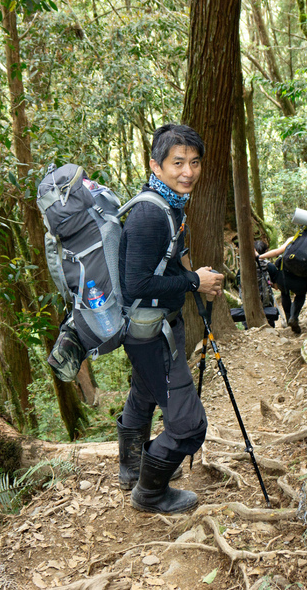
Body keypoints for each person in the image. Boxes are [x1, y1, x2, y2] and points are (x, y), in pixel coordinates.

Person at [116, 123, 224, 515]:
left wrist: (195, 280)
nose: (188, 171)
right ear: (156, 166)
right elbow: (137, 283)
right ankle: (149, 493)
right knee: (189, 425)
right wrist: (195, 280)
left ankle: (132, 470)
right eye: (178, 162)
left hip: (156, 325)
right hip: (148, 332)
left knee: (144, 394)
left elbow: (164, 265)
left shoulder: (169, 204)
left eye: (194, 162)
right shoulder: (149, 214)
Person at [258, 234, 307, 335]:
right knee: (300, 296)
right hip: (301, 282)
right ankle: (294, 317)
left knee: (285, 293)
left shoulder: (293, 239)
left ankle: (288, 318)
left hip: (283, 278)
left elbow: (277, 252)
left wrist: (259, 257)